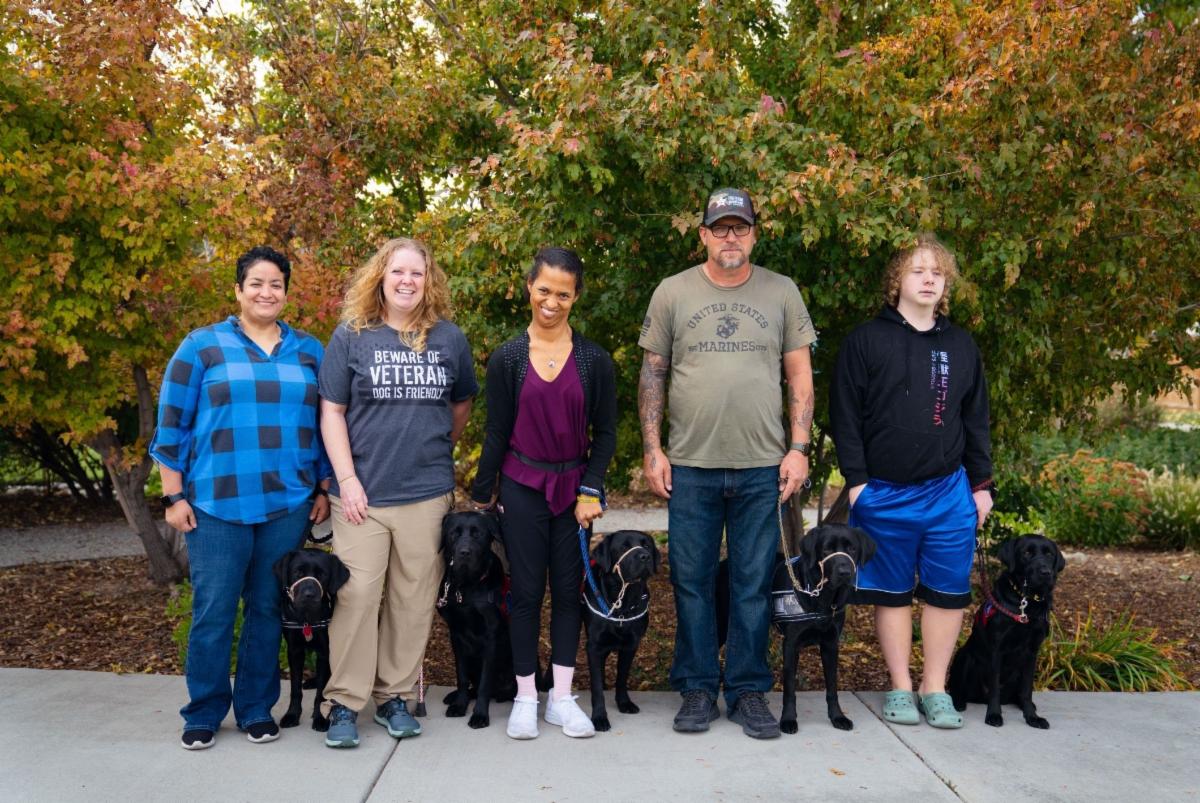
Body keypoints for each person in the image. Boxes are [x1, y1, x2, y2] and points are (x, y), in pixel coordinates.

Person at [638, 188, 817, 739]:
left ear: (754, 235)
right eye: (721, 228)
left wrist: (799, 448)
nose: (731, 237)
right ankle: (696, 687)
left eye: (740, 227)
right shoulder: (673, 292)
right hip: (690, 465)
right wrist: (652, 448)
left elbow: (799, 375)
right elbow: (653, 373)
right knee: (690, 581)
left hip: (763, 466)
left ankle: (746, 690)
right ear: (704, 236)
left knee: (752, 583)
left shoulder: (781, 291)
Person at [150, 245, 332, 751]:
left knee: (268, 609)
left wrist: (323, 486)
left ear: (286, 292)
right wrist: (172, 496)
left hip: (287, 504)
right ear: (238, 289)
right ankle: (204, 712)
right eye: (256, 283)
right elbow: (171, 426)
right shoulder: (201, 347)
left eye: (276, 284)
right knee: (214, 610)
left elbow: (325, 424)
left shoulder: (309, 351)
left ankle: (255, 708)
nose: (266, 292)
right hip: (214, 504)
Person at [829, 233, 994, 729]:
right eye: (917, 270)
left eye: (937, 273)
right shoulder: (865, 340)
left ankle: (935, 688)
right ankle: (901, 686)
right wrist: (857, 483)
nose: (928, 280)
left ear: (946, 284)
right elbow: (845, 416)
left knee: (947, 593)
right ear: (896, 279)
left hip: (948, 492)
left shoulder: (961, 345)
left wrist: (981, 486)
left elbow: (976, 420)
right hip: (883, 493)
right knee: (892, 592)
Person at [318, 237, 478, 748]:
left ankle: (395, 698)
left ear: (429, 281)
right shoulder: (352, 336)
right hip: (360, 496)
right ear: (380, 278)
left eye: (417, 273)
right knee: (357, 597)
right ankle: (344, 703)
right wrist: (346, 480)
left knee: (413, 601)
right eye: (398, 272)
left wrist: (434, 448)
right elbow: (332, 412)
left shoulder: (449, 339)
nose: (407, 281)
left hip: (427, 495)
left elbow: (461, 405)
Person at [471, 247, 618, 740]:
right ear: (528, 288)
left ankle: (560, 699)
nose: (551, 302)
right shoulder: (509, 357)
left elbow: (606, 434)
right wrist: (482, 493)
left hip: (575, 492)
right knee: (528, 593)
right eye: (544, 290)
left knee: (569, 594)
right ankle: (525, 698)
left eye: (563, 294)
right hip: (522, 486)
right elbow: (496, 431)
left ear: (576, 297)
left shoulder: (594, 360)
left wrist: (591, 489)